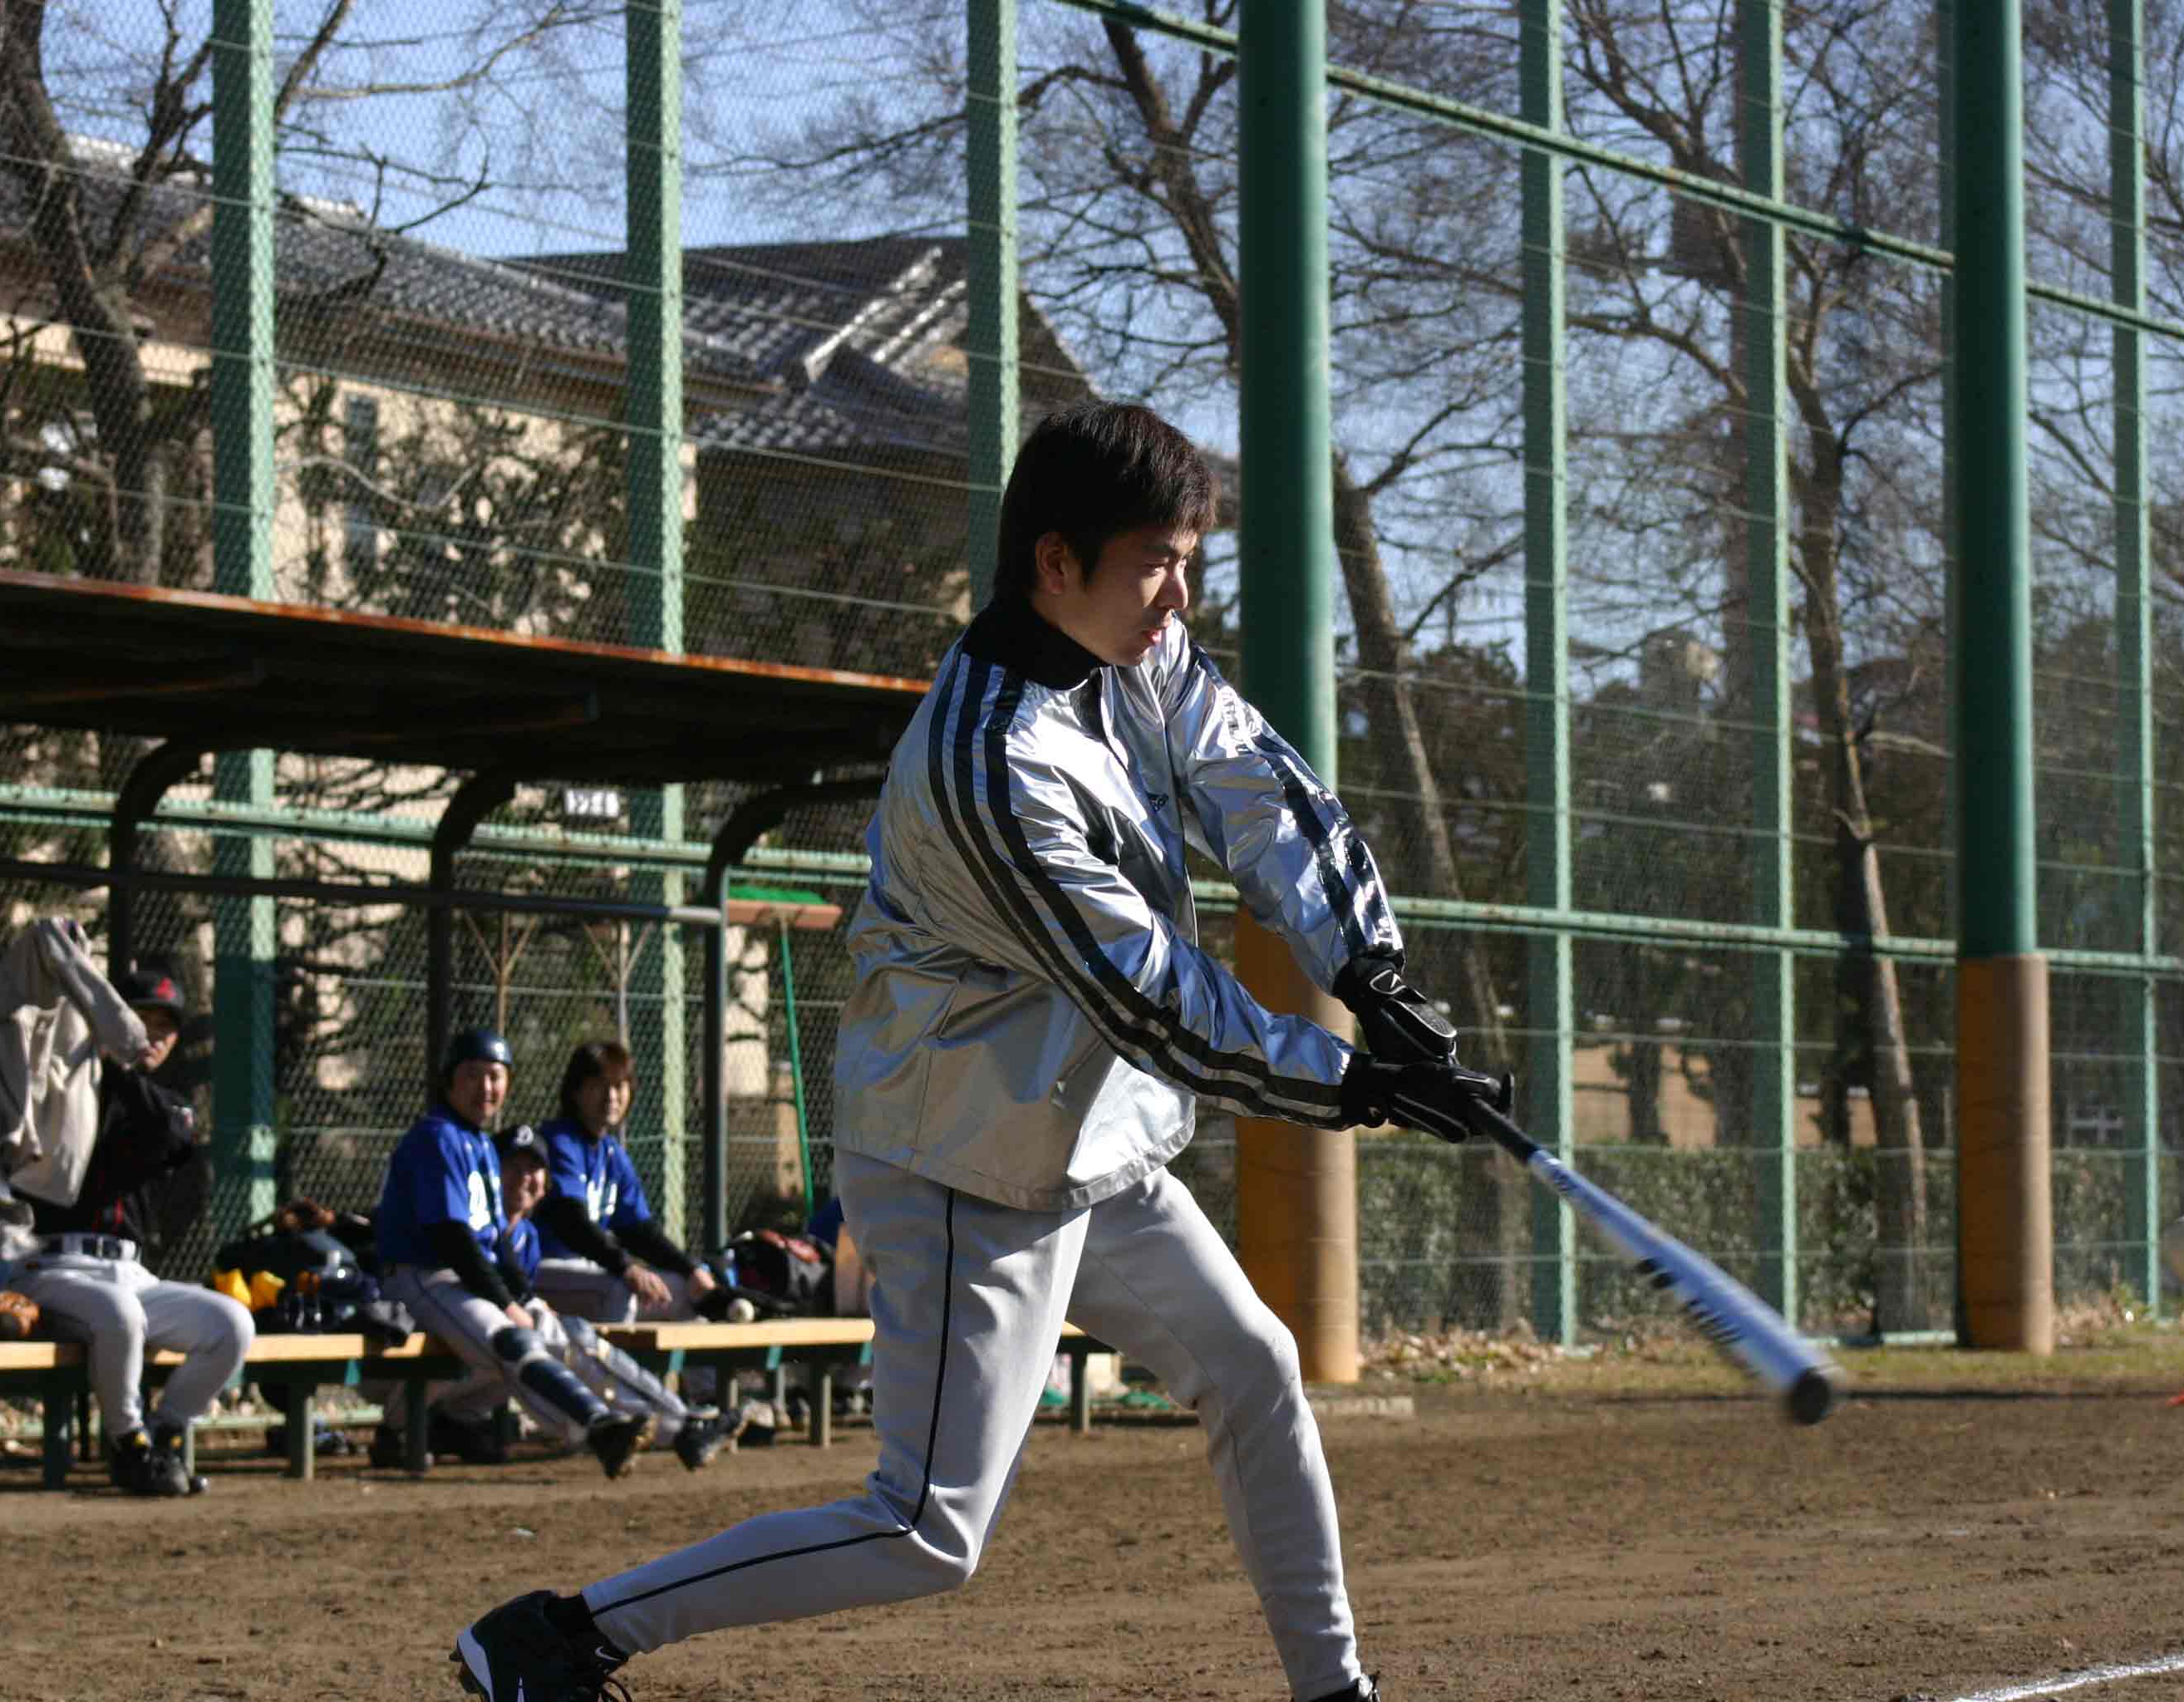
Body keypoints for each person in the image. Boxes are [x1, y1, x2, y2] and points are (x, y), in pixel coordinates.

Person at [450, 400, 1497, 1702]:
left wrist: (1372, 971)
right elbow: (1154, 999)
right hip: (961, 1167)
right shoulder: (991, 760)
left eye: (1187, 559)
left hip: (1085, 1144)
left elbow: (1254, 782)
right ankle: (563, 1634)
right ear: (1055, 563)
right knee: (927, 1528)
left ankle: (1336, 1693)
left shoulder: (1132, 652)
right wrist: (1358, 1082)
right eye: (1154, 562)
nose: (1177, 596)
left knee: (1255, 1368)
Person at [5, 967, 254, 1498]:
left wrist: (119, 1063)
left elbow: (172, 1131)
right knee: (120, 1313)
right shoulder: (62, 1091)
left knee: (231, 1323)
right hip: (52, 1267)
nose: (154, 1036)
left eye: (166, 1027)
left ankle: (163, 1435)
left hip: (129, 1270)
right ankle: (128, 1443)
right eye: (142, 1020)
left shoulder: (159, 1102)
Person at [368, 1028, 652, 1477]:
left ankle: (625, 1422)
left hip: (458, 1280)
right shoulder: (437, 1137)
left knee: (543, 1330)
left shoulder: (480, 1141)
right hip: (423, 1274)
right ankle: (596, 1425)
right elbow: (451, 1238)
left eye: (495, 1077)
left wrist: (523, 1297)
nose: (486, 1087)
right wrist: (505, 1302)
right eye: (473, 1075)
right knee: (509, 1339)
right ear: (449, 1082)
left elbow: (497, 1240)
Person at [485, 1125, 749, 1469]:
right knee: (567, 1340)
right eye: (512, 1167)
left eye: (533, 1169)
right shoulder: (481, 1225)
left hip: (497, 1361)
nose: (523, 1178)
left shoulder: (527, 1236)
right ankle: (677, 1424)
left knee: (574, 1337)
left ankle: (680, 1423)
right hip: (461, 1359)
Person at [524, 1041, 717, 1324]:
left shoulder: (612, 1152)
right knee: (619, 1288)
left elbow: (638, 1231)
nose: (611, 1096)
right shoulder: (558, 1141)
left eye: (620, 1086)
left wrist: (690, 1270)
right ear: (576, 1091)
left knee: (686, 1292)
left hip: (590, 1270)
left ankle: (666, 1371)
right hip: (543, 1268)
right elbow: (572, 1223)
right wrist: (625, 1267)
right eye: (599, 1085)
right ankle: (611, 1369)